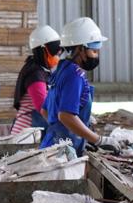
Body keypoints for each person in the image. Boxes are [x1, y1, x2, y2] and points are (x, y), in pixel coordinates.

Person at [39, 17, 120, 156]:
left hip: (52, 145)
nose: (96, 55)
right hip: (62, 154)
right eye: (94, 50)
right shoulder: (74, 75)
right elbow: (66, 116)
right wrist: (98, 140)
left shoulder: (61, 69)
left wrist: (81, 136)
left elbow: (45, 111)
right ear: (80, 49)